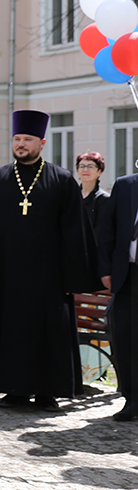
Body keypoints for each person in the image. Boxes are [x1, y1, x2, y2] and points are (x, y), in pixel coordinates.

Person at [0, 110, 99, 412]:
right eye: (17, 139)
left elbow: (74, 231)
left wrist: (72, 277)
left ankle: (47, 392)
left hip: (48, 277)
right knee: (10, 329)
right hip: (7, 274)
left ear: (41, 142)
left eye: (27, 139)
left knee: (47, 331)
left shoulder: (62, 180)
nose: (21, 144)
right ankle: (13, 390)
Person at [96, 170, 136, 421]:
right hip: (128, 275)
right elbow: (106, 229)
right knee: (127, 340)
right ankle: (133, 400)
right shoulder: (125, 185)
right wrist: (106, 269)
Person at [77, 151, 109, 234]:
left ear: (99, 171)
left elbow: (100, 231)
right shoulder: (71, 196)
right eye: (82, 166)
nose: (85, 169)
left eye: (90, 166)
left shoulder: (104, 199)